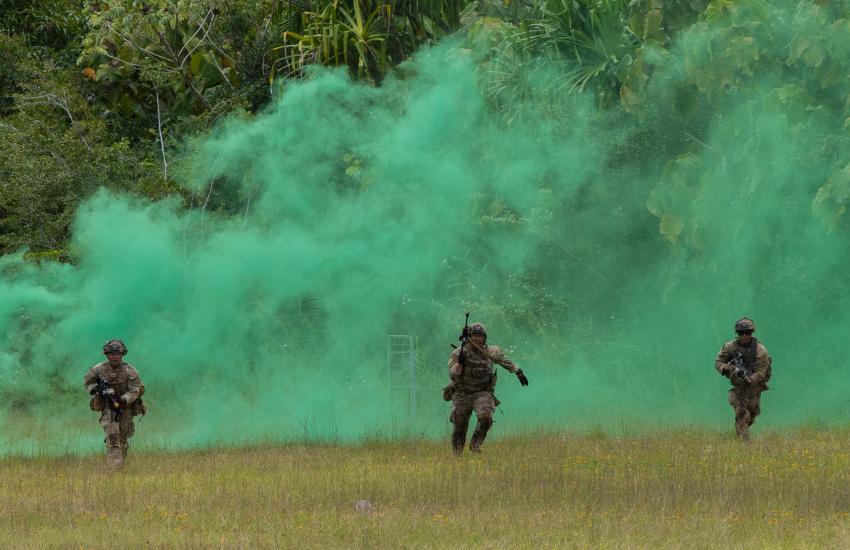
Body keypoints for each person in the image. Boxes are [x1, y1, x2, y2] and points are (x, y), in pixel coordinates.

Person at [445, 322, 528, 455]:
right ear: (470, 336)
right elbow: (453, 374)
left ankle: (475, 445)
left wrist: (518, 371)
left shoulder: (490, 351)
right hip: (462, 392)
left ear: (485, 338)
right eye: (475, 336)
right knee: (459, 423)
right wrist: (460, 363)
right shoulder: (460, 352)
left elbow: (505, 361)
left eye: (481, 336)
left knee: (485, 417)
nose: (478, 339)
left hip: (482, 392)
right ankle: (457, 455)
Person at [84, 339, 146, 468]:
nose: (115, 356)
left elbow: (135, 390)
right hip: (108, 407)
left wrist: (122, 398)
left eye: (118, 353)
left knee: (123, 436)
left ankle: (120, 461)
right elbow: (88, 383)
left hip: (125, 407)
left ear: (122, 354)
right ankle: (114, 468)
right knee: (113, 435)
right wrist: (97, 389)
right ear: (107, 355)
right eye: (112, 354)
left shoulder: (130, 371)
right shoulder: (98, 369)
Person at [714, 318, 771, 441]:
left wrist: (750, 379)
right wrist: (730, 369)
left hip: (754, 386)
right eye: (741, 333)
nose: (744, 335)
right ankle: (744, 442)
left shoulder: (760, 350)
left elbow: (761, 372)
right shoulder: (730, 347)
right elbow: (719, 362)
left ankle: (742, 429)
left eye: (748, 332)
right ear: (737, 333)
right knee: (741, 412)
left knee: (753, 412)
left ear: (752, 333)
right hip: (738, 385)